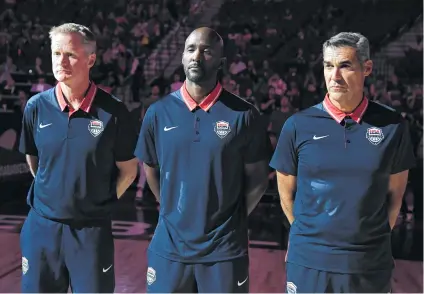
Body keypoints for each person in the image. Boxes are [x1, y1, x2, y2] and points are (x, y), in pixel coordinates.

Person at [270, 32, 416, 293]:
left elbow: (395, 197)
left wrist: (367, 241)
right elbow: (286, 195)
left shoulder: (393, 126)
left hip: (368, 264)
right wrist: (311, 239)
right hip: (309, 263)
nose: (334, 76)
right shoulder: (297, 126)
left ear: (367, 68)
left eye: (345, 65)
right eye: (328, 66)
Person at [135, 27, 269, 293]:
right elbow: (151, 169)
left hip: (224, 249)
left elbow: (258, 180)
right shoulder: (157, 113)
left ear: (221, 63)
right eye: (190, 49)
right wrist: (173, 209)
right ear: (183, 58)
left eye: (206, 51)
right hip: (170, 245)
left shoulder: (245, 115)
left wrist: (231, 218)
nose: (196, 56)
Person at [19, 23, 138, 293]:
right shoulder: (36, 107)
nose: (61, 61)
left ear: (91, 59)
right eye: (56, 53)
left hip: (90, 232)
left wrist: (96, 202)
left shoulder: (115, 112)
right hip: (41, 228)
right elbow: (34, 161)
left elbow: (129, 171)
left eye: (70, 54)